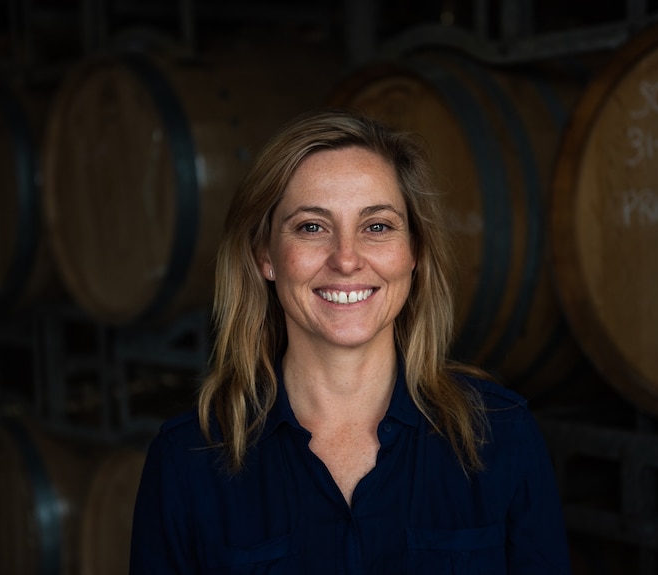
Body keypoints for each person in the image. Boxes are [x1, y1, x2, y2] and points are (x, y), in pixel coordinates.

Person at [129, 109, 571, 574]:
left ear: (415, 251)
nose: (346, 259)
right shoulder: (186, 462)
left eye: (376, 226)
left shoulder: (501, 435)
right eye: (312, 227)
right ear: (265, 255)